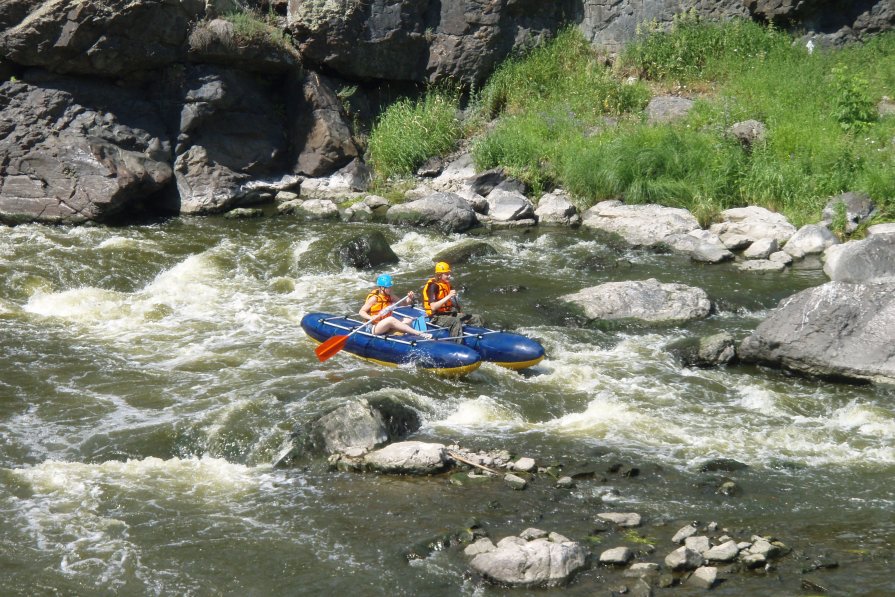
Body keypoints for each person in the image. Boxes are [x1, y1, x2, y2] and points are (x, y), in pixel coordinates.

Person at [359, 274, 432, 339]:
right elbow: (361, 312)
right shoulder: (374, 298)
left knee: (408, 320)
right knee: (391, 319)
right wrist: (370, 317)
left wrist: (409, 298)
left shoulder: (391, 296)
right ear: (382, 288)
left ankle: (397, 334)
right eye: (388, 287)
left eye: (391, 287)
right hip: (374, 327)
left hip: (385, 325)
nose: (391, 289)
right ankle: (418, 333)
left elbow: (404, 304)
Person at [422, 262, 483, 338]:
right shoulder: (433, 286)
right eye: (446, 274)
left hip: (447, 313)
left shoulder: (447, 285)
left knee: (477, 317)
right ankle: (457, 343)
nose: (449, 276)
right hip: (435, 317)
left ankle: (481, 337)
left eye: (449, 273)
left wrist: (461, 314)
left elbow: (454, 303)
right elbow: (433, 307)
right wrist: (449, 296)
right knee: (455, 321)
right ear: (439, 275)